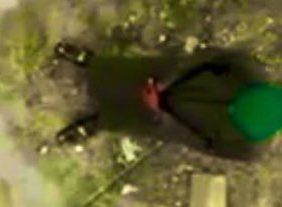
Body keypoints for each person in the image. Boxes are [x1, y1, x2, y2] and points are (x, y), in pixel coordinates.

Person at [53, 43, 282, 160]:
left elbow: (201, 145)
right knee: (127, 72)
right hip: (176, 79)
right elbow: (210, 56)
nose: (231, 110)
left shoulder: (249, 150)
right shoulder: (251, 71)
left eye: (237, 119)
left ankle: (96, 123)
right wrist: (167, 80)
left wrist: (163, 119)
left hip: (178, 121)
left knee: (135, 120)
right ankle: (94, 63)